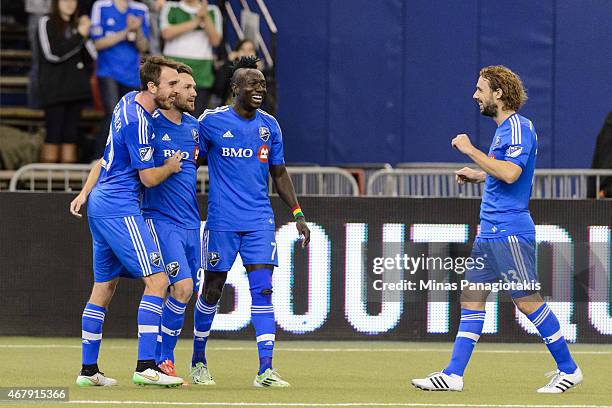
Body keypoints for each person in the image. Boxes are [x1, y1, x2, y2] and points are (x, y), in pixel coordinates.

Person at [411, 65, 582, 393]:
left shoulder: (518, 127)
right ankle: (453, 375)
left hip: (509, 231)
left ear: (498, 94)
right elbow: (502, 170)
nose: (475, 95)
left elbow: (511, 174)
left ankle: (569, 369)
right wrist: (478, 174)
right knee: (472, 298)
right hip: (489, 232)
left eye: (480, 89)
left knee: (526, 301)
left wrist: (471, 150)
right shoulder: (505, 130)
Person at [69, 56, 185, 387]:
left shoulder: (124, 103)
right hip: (120, 208)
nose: (175, 90)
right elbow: (148, 178)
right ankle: (147, 366)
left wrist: (84, 193)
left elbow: (103, 161)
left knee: (103, 288)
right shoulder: (140, 122)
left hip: (101, 202)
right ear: (152, 87)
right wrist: (171, 166)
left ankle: (88, 371)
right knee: (159, 282)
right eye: (171, 84)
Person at [195, 56, 311, 387]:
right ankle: (198, 360)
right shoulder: (211, 122)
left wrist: (298, 214)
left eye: (263, 83)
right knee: (213, 289)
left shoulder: (269, 126)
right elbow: (192, 161)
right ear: (235, 89)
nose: (260, 88)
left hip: (259, 221)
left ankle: (265, 370)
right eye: (253, 83)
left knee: (262, 289)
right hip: (221, 222)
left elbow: (279, 172)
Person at [141, 63, 210, 380]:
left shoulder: (197, 129)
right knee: (179, 288)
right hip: (161, 220)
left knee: (187, 292)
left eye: (195, 87)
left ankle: (157, 358)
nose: (193, 92)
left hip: (190, 223)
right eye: (187, 87)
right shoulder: (149, 125)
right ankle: (162, 359)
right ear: (170, 90)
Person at [37, 0, 96, 163]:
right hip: (54, 89)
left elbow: (91, 56)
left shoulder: (78, 25)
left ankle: (66, 185)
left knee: (71, 136)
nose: (70, 4)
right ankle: (45, 184)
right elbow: (53, 53)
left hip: (76, 89)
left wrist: (85, 34)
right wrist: (79, 36)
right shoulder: (46, 21)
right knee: (53, 134)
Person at [90, 0, 150, 158]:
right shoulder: (101, 6)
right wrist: (126, 31)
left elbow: (144, 47)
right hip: (108, 71)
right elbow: (96, 43)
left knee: (130, 118)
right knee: (112, 114)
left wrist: (137, 31)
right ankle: (98, 159)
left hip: (132, 74)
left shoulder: (141, 9)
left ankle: (124, 160)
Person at [160, 0, 222, 117]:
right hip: (174, 70)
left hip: (202, 72)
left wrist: (205, 16)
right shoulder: (171, 7)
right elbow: (166, 33)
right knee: (169, 114)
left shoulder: (212, 10)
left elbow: (215, 40)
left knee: (196, 116)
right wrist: (197, 21)